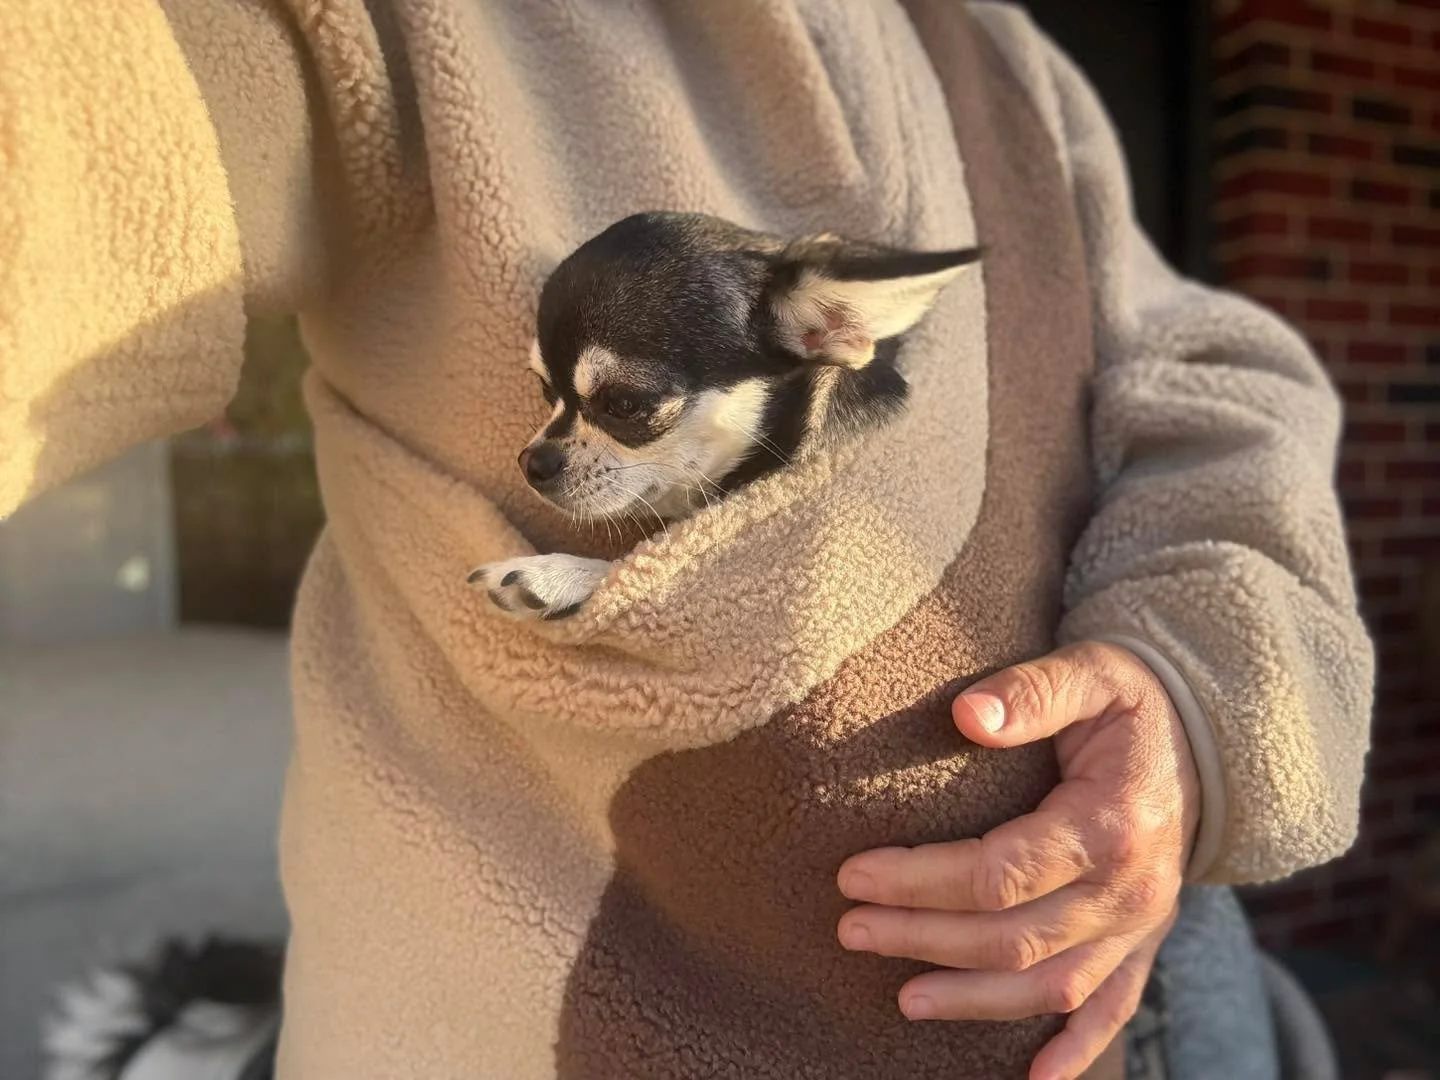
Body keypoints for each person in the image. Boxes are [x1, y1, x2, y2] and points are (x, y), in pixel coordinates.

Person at [1, 2, 1372, 1079]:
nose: (555, 447)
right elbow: (84, 130)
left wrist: (1196, 681)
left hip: (1140, 1008)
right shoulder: (409, 35)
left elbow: (1215, 371)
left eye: (621, 410)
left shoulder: (1015, 70)